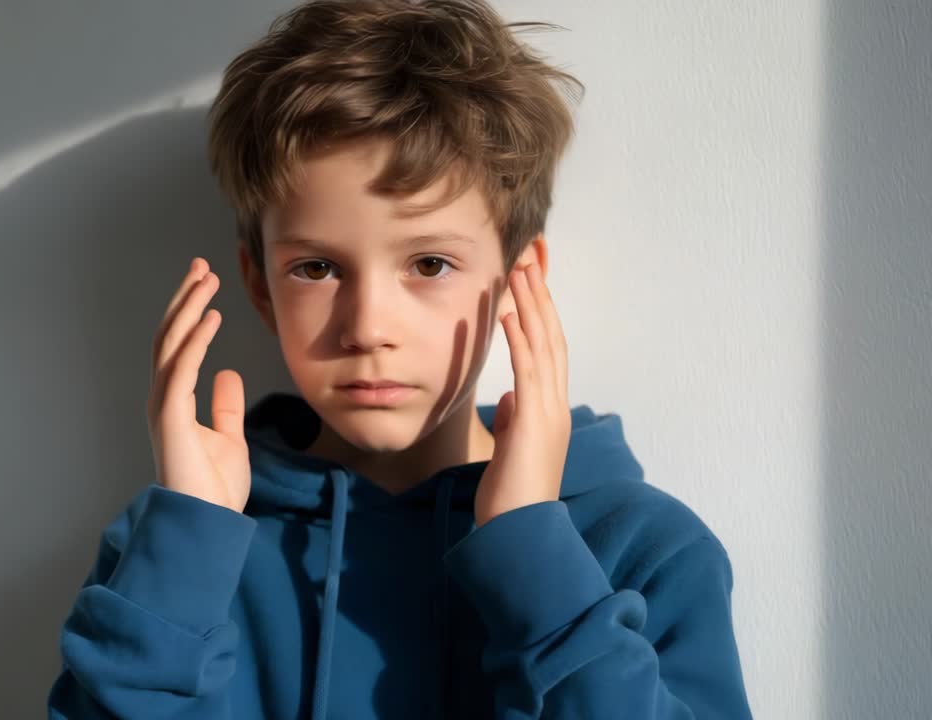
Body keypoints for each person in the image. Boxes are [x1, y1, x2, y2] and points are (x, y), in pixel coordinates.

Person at [46, 0, 754, 717]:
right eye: (318, 269)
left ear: (517, 278)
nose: (368, 328)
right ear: (259, 283)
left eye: (430, 263)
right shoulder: (170, 541)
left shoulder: (641, 549)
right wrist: (187, 548)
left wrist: (532, 553)